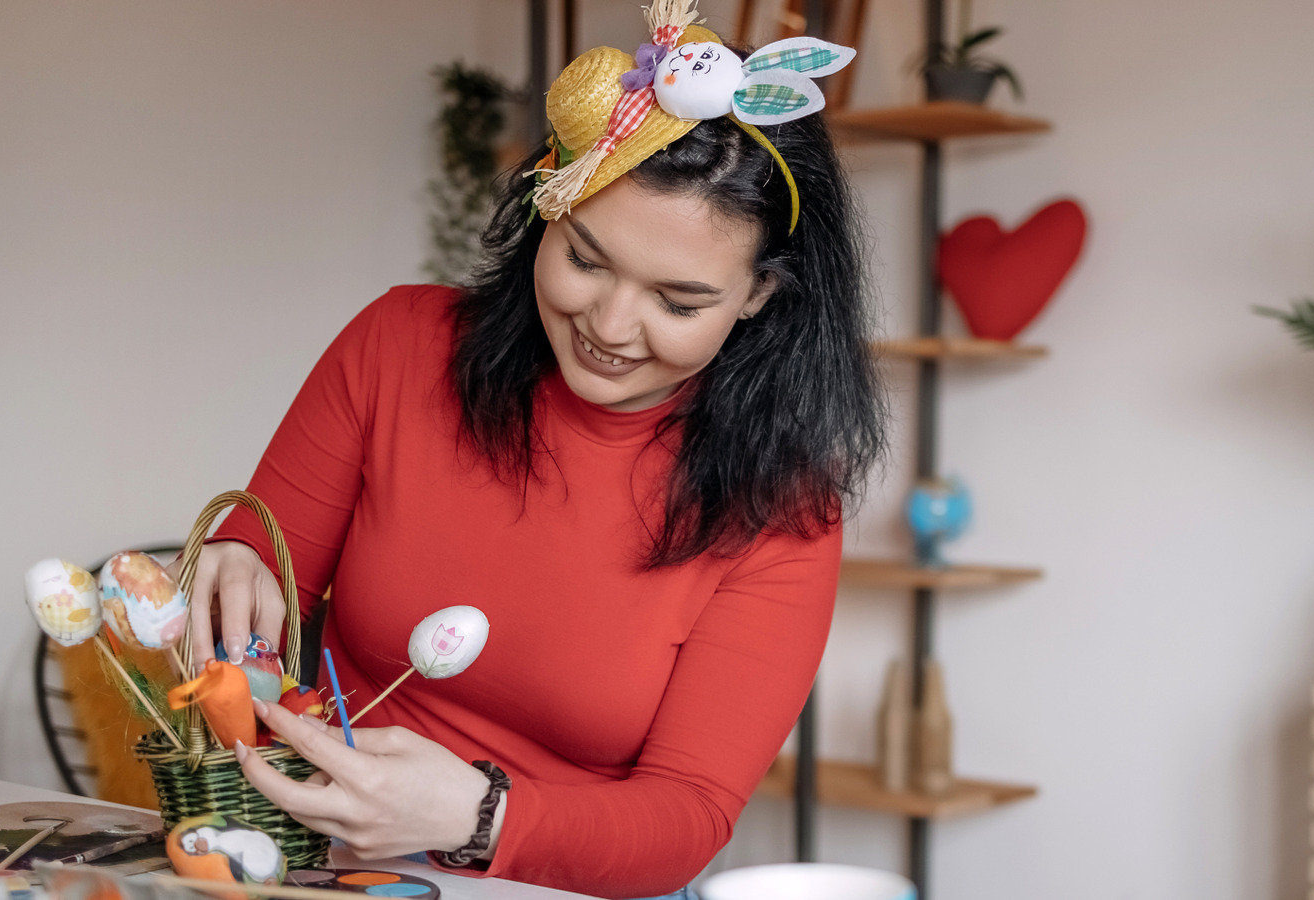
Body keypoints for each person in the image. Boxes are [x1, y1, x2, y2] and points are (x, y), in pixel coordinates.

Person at [181, 10, 884, 899]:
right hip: (321, 869)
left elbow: (687, 818)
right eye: (586, 259)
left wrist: (479, 817)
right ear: (548, 204)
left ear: (758, 296)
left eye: (678, 301)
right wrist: (243, 557)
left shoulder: (782, 509)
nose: (610, 326)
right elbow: (263, 574)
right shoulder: (399, 346)